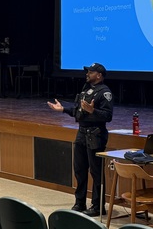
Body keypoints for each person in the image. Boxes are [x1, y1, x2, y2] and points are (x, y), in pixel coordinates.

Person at [47, 62, 114, 216]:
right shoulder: (86, 89)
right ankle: (80, 202)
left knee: (96, 171)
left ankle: (98, 206)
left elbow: (108, 116)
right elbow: (79, 111)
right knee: (79, 169)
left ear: (99, 75)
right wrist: (63, 109)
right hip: (82, 133)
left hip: (96, 134)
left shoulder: (105, 92)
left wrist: (93, 111)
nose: (87, 74)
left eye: (90, 72)